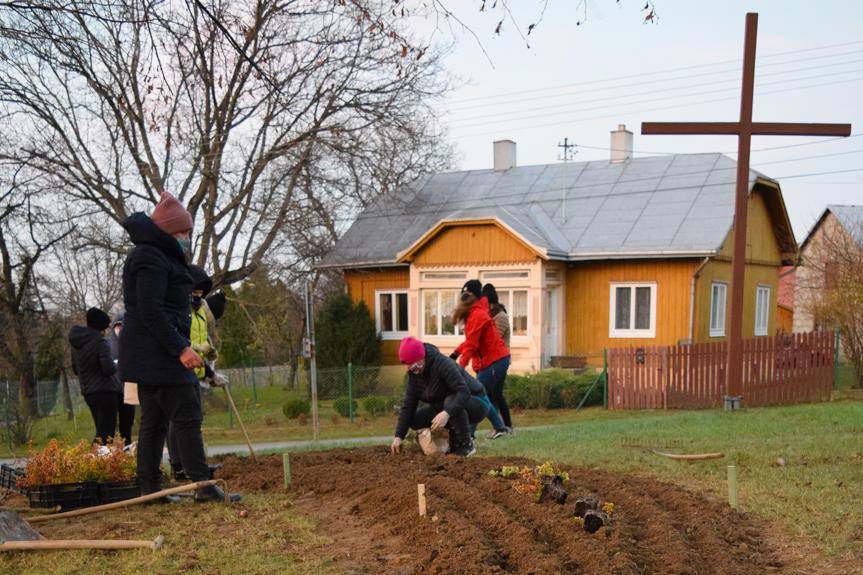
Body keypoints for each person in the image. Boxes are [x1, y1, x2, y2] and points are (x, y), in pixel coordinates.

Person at [119, 191, 240, 503]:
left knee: (155, 421)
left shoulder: (158, 256)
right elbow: (151, 311)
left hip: (153, 354)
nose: (187, 237)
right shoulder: (150, 257)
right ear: (168, 231)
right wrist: (181, 349)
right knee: (186, 414)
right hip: (159, 354)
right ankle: (201, 485)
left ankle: (150, 488)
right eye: (184, 232)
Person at [390, 337, 488, 457]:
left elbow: (463, 392)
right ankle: (449, 443)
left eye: (411, 363)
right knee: (415, 420)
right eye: (406, 364)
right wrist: (398, 436)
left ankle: (466, 445)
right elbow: (408, 406)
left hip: (477, 402)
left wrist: (446, 413)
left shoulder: (443, 364)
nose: (409, 367)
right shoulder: (414, 375)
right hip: (447, 405)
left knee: (450, 401)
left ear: (421, 357)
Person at [451, 280, 514, 434]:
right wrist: (455, 354)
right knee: (482, 396)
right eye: (463, 296)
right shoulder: (474, 313)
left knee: (477, 396)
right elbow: (469, 341)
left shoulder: (477, 315)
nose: (464, 299)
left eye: (468, 296)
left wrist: (460, 367)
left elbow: (472, 345)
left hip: (495, 361)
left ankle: (470, 434)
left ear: (475, 297)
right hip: (489, 362)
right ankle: (500, 428)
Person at [69, 307, 120, 445]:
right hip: (105, 391)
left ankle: (96, 461)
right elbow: (108, 368)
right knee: (107, 432)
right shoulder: (100, 342)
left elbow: (75, 369)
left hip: (88, 391)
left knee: (100, 429)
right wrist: (118, 365)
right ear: (101, 325)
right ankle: (97, 461)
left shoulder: (76, 343)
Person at [107, 314, 135, 445]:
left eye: (122, 325)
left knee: (127, 425)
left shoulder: (133, 343)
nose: (120, 328)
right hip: (113, 391)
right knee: (109, 427)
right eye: (117, 326)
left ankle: (127, 449)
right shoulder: (107, 345)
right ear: (114, 328)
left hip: (129, 390)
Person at [483, 283, 511, 350]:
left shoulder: (501, 317)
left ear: (492, 304)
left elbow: (493, 341)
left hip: (500, 358)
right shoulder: (489, 316)